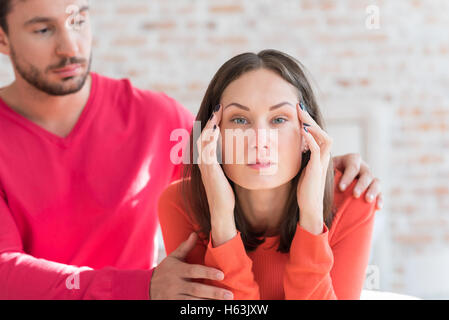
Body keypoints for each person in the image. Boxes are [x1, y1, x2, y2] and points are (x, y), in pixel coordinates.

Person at [0, 0, 382, 300]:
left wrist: (323, 165)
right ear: (3, 38)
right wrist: (142, 288)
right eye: (43, 29)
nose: (69, 45)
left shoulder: (154, 116)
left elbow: (234, 160)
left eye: (78, 20)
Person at [158, 50, 380, 300]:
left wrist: (311, 218)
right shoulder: (180, 203)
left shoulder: (352, 200)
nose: (259, 140)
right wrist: (221, 220)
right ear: (213, 136)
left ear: (308, 136)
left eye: (278, 119)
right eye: (240, 120)